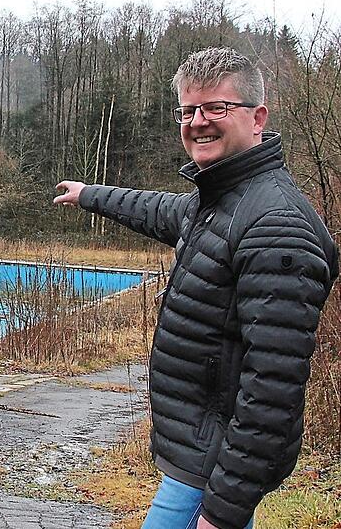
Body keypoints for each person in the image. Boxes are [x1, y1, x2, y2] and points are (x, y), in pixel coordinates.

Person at [53, 47, 338, 529]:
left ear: (258, 117)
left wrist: (223, 511)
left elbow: (272, 390)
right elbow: (158, 209)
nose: (198, 122)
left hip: (216, 462)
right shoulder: (221, 200)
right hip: (204, 450)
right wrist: (90, 195)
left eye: (216, 108)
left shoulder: (275, 224)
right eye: (188, 111)